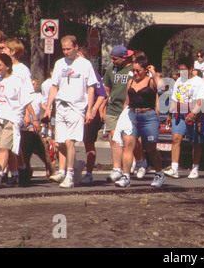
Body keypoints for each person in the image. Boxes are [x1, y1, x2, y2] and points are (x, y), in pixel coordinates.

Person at [43, 35, 97, 188]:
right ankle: (71, 165)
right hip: (61, 106)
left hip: (77, 107)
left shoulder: (85, 64)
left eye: (68, 49)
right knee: (60, 143)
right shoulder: (59, 64)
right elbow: (54, 87)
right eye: (63, 49)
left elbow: (91, 87)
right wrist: (48, 108)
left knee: (70, 142)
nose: (66, 52)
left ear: (76, 47)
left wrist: (90, 110)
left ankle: (70, 175)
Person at [0, 53, 40, 187]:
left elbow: (27, 101)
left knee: (4, 147)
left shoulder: (15, 81)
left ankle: (0, 175)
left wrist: (34, 119)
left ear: (7, 66)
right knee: (6, 149)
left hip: (12, 118)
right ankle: (15, 176)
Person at [114, 55, 165, 187]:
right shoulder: (130, 82)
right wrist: (123, 117)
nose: (135, 73)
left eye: (138, 70)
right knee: (127, 146)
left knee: (150, 148)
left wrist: (153, 73)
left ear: (145, 69)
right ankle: (126, 177)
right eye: (134, 70)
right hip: (132, 116)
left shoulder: (151, 81)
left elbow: (162, 87)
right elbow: (127, 102)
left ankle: (159, 173)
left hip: (148, 117)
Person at [165, 56, 204, 179]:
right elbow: (174, 99)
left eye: (183, 70)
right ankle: (174, 168)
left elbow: (201, 100)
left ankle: (195, 168)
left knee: (195, 142)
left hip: (194, 113)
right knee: (175, 138)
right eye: (179, 70)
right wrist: (169, 114)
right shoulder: (178, 81)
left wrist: (193, 113)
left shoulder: (199, 82)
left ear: (190, 69)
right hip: (180, 113)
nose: (181, 72)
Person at [102, 45, 135, 183]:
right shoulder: (111, 69)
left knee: (127, 140)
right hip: (113, 109)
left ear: (124, 57)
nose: (113, 61)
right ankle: (117, 169)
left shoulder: (133, 69)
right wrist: (102, 108)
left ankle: (135, 162)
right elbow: (106, 91)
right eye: (111, 58)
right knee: (114, 138)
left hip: (127, 109)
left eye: (115, 59)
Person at [77, 47, 107, 185]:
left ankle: (88, 173)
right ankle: (70, 170)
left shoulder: (93, 74)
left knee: (89, 144)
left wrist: (94, 109)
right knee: (65, 143)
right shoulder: (68, 71)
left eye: (79, 55)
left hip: (88, 114)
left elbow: (102, 94)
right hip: (72, 112)